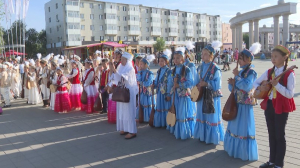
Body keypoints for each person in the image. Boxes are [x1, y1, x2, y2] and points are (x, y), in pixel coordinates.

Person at [254, 45, 296, 168]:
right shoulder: (269, 72)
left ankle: (279, 164)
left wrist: (277, 85)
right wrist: (262, 86)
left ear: (284, 57)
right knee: (271, 134)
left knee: (279, 135)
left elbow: (290, 94)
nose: (273, 59)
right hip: (270, 105)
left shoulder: (289, 74)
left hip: (281, 107)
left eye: (276, 56)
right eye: (272, 56)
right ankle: (271, 161)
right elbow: (255, 82)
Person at [224, 43, 261, 161]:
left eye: (241, 58)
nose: (239, 61)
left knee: (244, 127)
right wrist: (231, 83)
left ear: (249, 60)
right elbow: (233, 89)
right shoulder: (240, 72)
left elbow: (246, 86)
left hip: (245, 105)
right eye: (239, 58)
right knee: (234, 125)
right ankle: (233, 149)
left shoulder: (252, 73)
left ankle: (244, 152)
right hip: (236, 103)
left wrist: (237, 78)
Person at [194, 42, 224, 145]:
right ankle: (202, 136)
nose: (202, 56)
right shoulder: (200, 67)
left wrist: (207, 83)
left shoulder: (215, 68)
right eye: (202, 54)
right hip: (202, 95)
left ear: (212, 55)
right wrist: (197, 85)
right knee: (202, 114)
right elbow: (196, 80)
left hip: (211, 97)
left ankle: (211, 138)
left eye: (205, 54)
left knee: (210, 115)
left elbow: (217, 84)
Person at [108, 52, 138, 139]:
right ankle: (125, 128)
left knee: (129, 112)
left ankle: (132, 131)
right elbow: (115, 78)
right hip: (121, 92)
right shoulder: (121, 67)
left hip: (128, 92)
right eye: (121, 59)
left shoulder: (130, 69)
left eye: (123, 59)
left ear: (127, 60)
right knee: (122, 112)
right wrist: (111, 69)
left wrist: (114, 70)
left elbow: (123, 78)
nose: (121, 60)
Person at [166, 47, 193, 140]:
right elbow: (169, 83)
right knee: (175, 111)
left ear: (182, 59)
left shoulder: (186, 69)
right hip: (174, 95)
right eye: (174, 58)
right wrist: (168, 93)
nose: (175, 60)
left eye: (178, 58)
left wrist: (180, 84)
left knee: (182, 113)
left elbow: (190, 82)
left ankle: (183, 133)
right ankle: (175, 129)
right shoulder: (172, 70)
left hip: (183, 95)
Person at [152, 49, 172, 127]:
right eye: (159, 61)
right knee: (160, 106)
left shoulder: (169, 71)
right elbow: (157, 79)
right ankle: (160, 123)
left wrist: (168, 94)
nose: (160, 62)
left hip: (166, 92)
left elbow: (170, 82)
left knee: (166, 107)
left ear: (166, 62)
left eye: (162, 61)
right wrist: (154, 84)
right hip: (160, 92)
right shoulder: (159, 70)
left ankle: (166, 123)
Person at [136, 54, 155, 122]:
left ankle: (148, 118)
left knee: (147, 104)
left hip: (147, 92)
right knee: (141, 103)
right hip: (141, 91)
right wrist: (139, 72)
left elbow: (149, 82)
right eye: (139, 64)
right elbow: (138, 79)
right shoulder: (140, 72)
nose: (140, 66)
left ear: (146, 65)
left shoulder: (150, 73)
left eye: (141, 64)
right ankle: (141, 117)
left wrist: (141, 83)